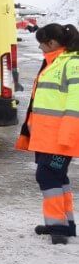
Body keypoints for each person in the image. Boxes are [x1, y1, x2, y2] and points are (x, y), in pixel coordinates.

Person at [17, 22, 79, 243]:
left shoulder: (71, 64)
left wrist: (68, 136)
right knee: (57, 177)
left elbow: (76, 103)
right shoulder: (54, 62)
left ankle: (58, 228)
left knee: (47, 176)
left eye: (41, 43)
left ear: (52, 43)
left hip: (60, 137)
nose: (40, 48)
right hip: (47, 136)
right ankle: (64, 224)